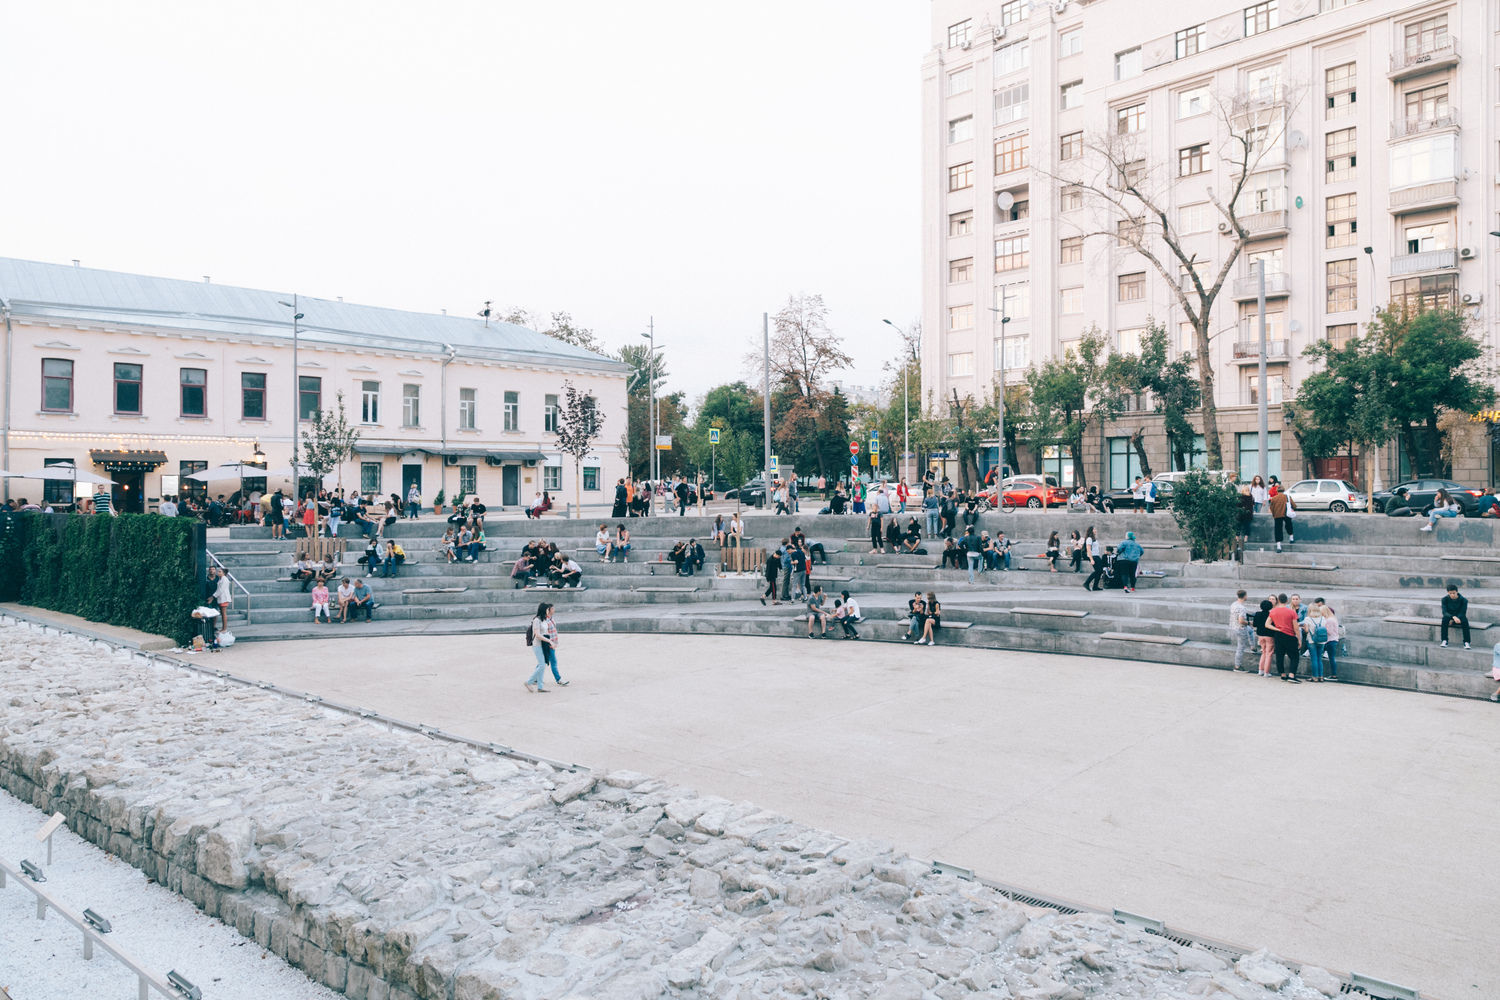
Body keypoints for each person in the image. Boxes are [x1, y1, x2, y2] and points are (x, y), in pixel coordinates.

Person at [525, 602, 556, 693]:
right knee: (541, 665)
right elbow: (537, 634)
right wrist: (549, 641)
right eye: (547, 609)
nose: (549, 611)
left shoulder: (544, 620)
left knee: (543, 664)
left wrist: (550, 641)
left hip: (544, 644)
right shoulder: (537, 620)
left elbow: (545, 632)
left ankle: (540, 686)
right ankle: (529, 682)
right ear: (544, 610)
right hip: (537, 645)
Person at [1269, 593, 1301, 682]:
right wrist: (1299, 639)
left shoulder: (1273, 611)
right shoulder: (1292, 612)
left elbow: (1267, 624)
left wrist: (1277, 629)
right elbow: (1296, 627)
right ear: (1287, 601)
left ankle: (1282, 674)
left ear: (1278, 601)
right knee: (1294, 656)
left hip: (1278, 635)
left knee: (1280, 655)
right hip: (1289, 635)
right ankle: (1291, 675)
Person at [1303, 602, 1333, 681]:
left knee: (1314, 659)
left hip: (1311, 640)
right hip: (1322, 641)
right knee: (1319, 658)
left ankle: (1315, 677)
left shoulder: (1307, 619)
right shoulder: (1323, 618)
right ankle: (1321, 677)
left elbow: (1306, 631)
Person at [1228, 590, 1255, 671]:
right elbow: (1241, 621)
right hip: (1241, 629)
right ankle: (1237, 666)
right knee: (1240, 648)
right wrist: (1250, 622)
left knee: (1250, 630)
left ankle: (1253, 646)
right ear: (1245, 596)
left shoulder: (1233, 604)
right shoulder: (1242, 607)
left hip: (1233, 627)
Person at [1440, 584, 1471, 648]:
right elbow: (1444, 612)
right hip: (1449, 616)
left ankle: (1466, 642)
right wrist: (1452, 618)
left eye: (1454, 593)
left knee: (1465, 621)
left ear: (1457, 592)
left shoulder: (1464, 600)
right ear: (1448, 592)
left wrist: (1457, 617)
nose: (1452, 595)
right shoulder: (1444, 599)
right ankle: (1444, 640)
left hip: (1459, 615)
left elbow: (1463, 612)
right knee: (1444, 620)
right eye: (1450, 593)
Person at [1252, 598, 1274, 676]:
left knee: (1263, 652)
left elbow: (1254, 624)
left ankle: (1260, 670)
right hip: (1269, 635)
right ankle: (1266, 672)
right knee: (1269, 653)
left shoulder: (1257, 614)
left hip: (1260, 635)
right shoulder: (1271, 614)